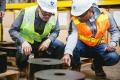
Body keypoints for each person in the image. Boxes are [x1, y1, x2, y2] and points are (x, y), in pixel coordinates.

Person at [62, 0, 120, 79]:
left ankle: (97, 65)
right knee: (70, 47)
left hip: (100, 46)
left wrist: (113, 43)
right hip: (82, 46)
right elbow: (72, 36)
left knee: (113, 57)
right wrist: (67, 52)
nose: (79, 18)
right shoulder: (75, 19)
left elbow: (115, 31)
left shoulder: (106, 16)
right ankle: (75, 67)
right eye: (77, 15)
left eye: (81, 15)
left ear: (90, 10)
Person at [9, 0, 64, 72]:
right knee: (22, 54)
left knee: (60, 46)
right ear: (39, 7)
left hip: (41, 41)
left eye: (50, 14)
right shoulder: (26, 13)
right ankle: (23, 69)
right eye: (45, 13)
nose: (47, 16)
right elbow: (12, 30)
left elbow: (56, 31)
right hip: (26, 42)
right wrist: (23, 42)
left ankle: (49, 68)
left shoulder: (54, 15)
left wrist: (49, 40)